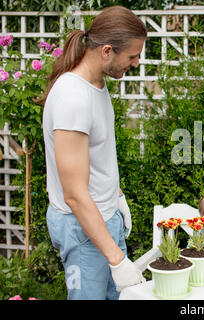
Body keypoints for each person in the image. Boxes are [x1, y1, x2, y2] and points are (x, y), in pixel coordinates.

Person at [41, 6, 147, 300]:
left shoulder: (96, 85)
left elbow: (98, 158)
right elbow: (73, 193)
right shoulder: (72, 97)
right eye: (132, 56)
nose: (136, 63)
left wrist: (117, 197)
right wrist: (116, 258)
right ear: (107, 51)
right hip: (82, 228)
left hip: (103, 218)